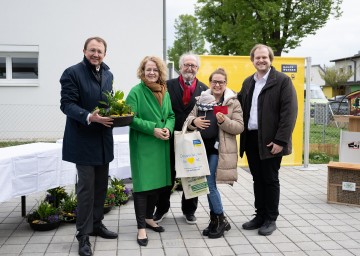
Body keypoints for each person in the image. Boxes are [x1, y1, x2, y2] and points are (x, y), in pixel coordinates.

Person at [60, 36, 118, 256]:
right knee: (86, 190)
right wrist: (88, 117)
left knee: (101, 186)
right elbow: (66, 104)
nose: (96, 54)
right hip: (83, 140)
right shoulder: (72, 73)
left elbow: (108, 102)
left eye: (100, 51)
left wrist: (117, 113)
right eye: (92, 50)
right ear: (84, 51)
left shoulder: (108, 74)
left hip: (103, 140)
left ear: (104, 54)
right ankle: (83, 235)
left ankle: (96, 224)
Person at [237, 44, 298, 236]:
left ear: (271, 59)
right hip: (252, 138)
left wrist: (280, 140)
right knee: (257, 179)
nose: (261, 60)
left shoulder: (282, 81)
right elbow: (237, 104)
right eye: (257, 58)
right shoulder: (248, 82)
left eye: (264, 57)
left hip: (271, 140)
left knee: (270, 179)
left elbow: (289, 113)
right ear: (252, 60)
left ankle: (271, 219)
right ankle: (260, 215)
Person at [186, 68, 244, 238]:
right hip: (199, 150)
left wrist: (224, 121)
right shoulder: (201, 100)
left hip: (218, 150)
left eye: (221, 82)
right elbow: (188, 120)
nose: (217, 84)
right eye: (214, 81)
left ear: (226, 84)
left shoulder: (232, 102)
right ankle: (215, 220)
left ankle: (220, 219)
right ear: (210, 83)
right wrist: (194, 121)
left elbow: (239, 127)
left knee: (210, 184)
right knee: (207, 184)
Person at [125, 56, 175, 246]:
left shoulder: (165, 91)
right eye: (148, 69)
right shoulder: (136, 92)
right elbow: (130, 118)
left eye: (155, 69)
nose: (151, 72)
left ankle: (148, 218)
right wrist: (152, 128)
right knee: (142, 187)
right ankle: (141, 229)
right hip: (144, 146)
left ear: (160, 72)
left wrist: (168, 128)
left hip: (161, 143)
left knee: (157, 185)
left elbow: (170, 115)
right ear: (142, 71)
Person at [153, 52, 208, 225]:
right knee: (166, 176)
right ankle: (161, 209)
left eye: (193, 65)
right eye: (186, 65)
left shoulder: (205, 90)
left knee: (193, 175)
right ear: (180, 67)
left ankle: (189, 210)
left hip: (192, 139)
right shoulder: (167, 86)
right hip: (169, 138)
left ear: (197, 69)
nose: (189, 68)